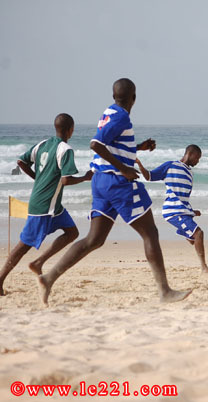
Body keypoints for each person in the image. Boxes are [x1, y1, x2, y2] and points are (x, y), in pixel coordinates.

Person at [38, 78, 191, 305]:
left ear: (113, 96)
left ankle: (49, 277)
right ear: (134, 98)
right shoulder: (121, 116)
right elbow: (96, 144)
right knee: (150, 233)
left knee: (94, 239)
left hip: (100, 181)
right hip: (118, 183)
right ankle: (165, 292)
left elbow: (110, 144)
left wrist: (138, 148)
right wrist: (125, 169)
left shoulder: (109, 113)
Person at [0, 113, 92, 296]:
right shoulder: (65, 150)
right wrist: (85, 178)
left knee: (72, 232)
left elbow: (20, 161)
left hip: (54, 206)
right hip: (43, 207)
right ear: (70, 129)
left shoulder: (42, 144)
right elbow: (65, 180)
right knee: (23, 246)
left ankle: (39, 262)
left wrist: (37, 178)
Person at [135, 145, 208, 273]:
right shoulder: (170, 166)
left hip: (182, 211)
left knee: (195, 239)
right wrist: (139, 164)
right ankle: (204, 267)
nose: (197, 161)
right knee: (199, 233)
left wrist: (192, 212)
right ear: (191, 154)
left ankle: (184, 233)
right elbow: (149, 176)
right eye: (197, 158)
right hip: (173, 211)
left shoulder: (189, 173)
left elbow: (182, 198)